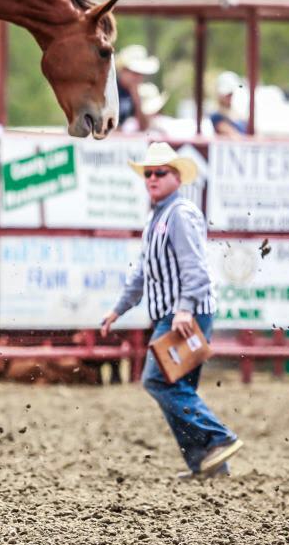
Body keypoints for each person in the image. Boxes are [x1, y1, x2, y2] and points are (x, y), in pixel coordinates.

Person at [100, 142, 243, 479]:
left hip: (183, 315)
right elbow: (142, 272)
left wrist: (184, 310)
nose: (152, 178)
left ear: (176, 177)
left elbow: (195, 268)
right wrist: (117, 309)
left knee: (157, 380)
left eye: (159, 172)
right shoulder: (159, 216)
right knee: (177, 387)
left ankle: (219, 438)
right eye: (148, 173)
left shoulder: (179, 214)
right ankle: (209, 463)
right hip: (178, 313)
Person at [115, 45, 160, 131]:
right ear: (123, 70)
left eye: (141, 73)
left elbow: (144, 127)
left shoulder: (137, 93)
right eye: (135, 73)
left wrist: (137, 101)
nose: (139, 78)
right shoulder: (108, 90)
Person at [209, 71, 246, 136]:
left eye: (231, 94)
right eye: (228, 95)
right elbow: (234, 135)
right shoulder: (217, 116)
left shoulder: (236, 113)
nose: (230, 97)